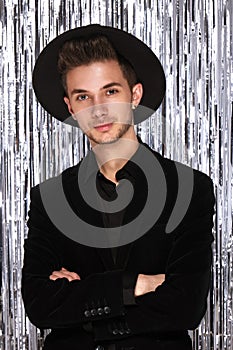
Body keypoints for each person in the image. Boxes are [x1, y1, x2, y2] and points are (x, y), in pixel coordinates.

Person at [21, 24, 215, 350]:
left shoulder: (189, 187)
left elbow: (186, 306)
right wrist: (134, 285)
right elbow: (39, 304)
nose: (98, 110)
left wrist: (84, 305)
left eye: (110, 92)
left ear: (134, 95)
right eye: (84, 97)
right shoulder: (50, 197)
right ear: (71, 108)